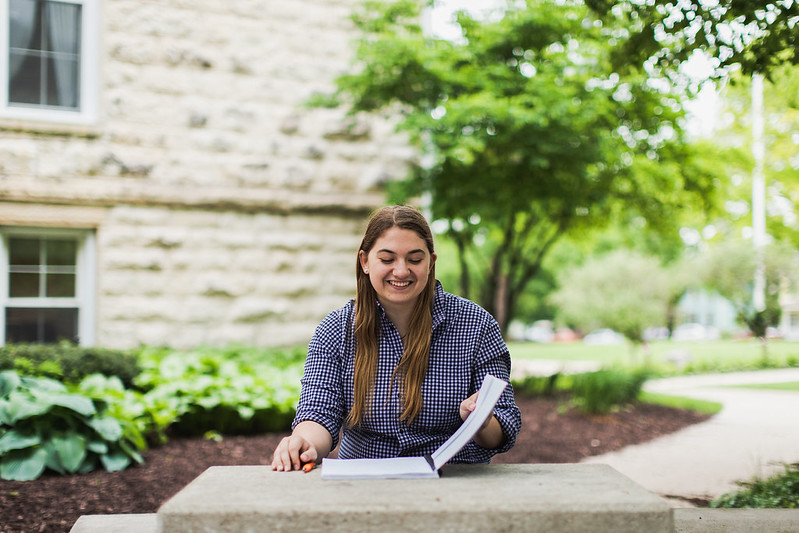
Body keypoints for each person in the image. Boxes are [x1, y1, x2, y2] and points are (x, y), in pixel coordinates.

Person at [271, 205, 521, 471]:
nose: (401, 271)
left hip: (455, 482)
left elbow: (504, 428)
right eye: (387, 259)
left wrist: (481, 421)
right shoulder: (335, 329)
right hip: (364, 483)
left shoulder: (476, 325)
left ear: (431, 263)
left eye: (414, 259)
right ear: (365, 262)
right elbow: (319, 412)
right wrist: (304, 442)